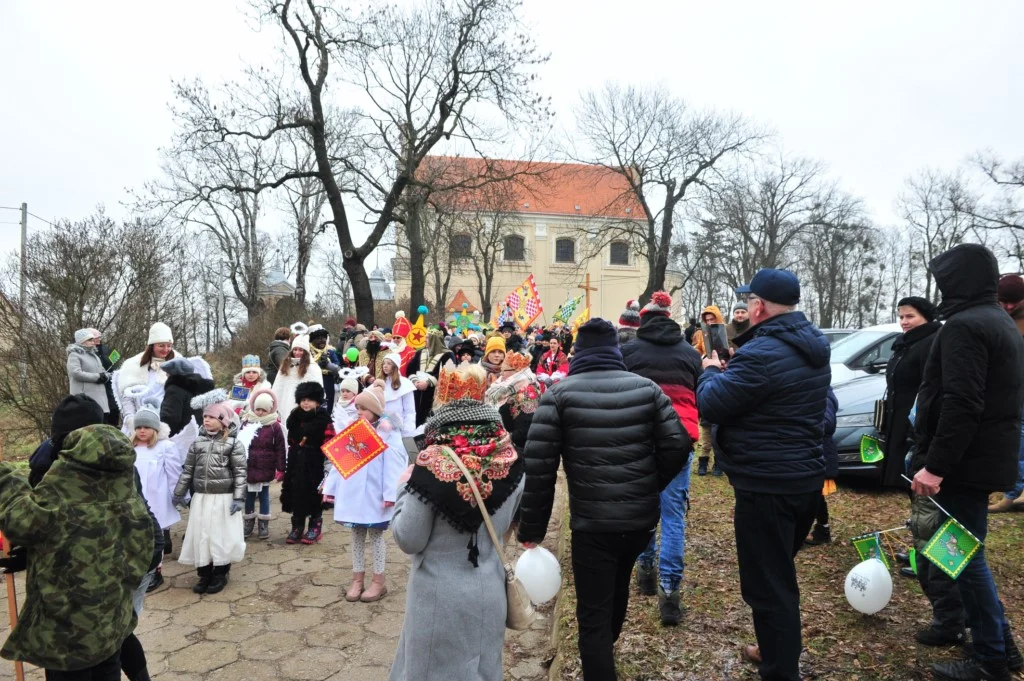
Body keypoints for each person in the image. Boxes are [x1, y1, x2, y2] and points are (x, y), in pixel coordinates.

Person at [519, 318, 690, 681]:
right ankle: (604, 651)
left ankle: (600, 658)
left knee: (593, 614)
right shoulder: (647, 389)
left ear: (577, 352)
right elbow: (678, 443)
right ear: (616, 351)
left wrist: (531, 528)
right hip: (638, 522)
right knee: (615, 590)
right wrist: (648, 486)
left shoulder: (559, 395)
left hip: (592, 526)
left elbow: (539, 469)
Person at [697, 268, 830, 681]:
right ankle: (772, 650)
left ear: (757, 307)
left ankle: (779, 670)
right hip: (802, 481)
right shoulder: (813, 345)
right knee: (777, 575)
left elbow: (712, 403)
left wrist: (710, 370)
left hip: (767, 488)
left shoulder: (763, 353)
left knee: (769, 589)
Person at [910, 244, 1024, 681]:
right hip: (981, 461)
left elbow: (962, 403)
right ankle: (1003, 646)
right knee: (963, 554)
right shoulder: (998, 321)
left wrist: (935, 466)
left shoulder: (966, 326)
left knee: (964, 557)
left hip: (961, 465)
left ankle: (992, 658)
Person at [389, 363, 525, 681]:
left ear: (442, 404)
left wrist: (402, 488)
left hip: (438, 598)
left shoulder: (432, 461)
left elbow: (409, 539)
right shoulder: (510, 457)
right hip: (490, 592)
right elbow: (508, 526)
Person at [0, 424, 154, 680]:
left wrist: (5, 477)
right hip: (111, 622)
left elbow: (21, 521)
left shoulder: (63, 489)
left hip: (69, 634)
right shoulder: (127, 490)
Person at [621, 290, 701, 626]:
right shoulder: (690, 354)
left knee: (642, 510)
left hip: (640, 437)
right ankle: (670, 592)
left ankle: (645, 571)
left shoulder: (629, 351)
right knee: (673, 516)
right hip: (679, 439)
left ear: (644, 320)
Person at [322, 380, 407, 603]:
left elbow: (395, 466)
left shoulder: (388, 433)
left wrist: (391, 494)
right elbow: (341, 460)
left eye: (364, 409)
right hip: (353, 495)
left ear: (375, 410)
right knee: (357, 536)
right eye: (357, 408)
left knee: (377, 537)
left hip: (375, 496)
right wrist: (331, 488)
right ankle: (357, 578)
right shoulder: (354, 430)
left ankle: (379, 580)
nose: (359, 412)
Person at [173, 392, 247, 595]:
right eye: (205, 417)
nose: (206, 420)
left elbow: (240, 472)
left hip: (223, 498)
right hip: (202, 498)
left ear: (223, 421)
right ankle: (204, 572)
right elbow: (187, 470)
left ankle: (221, 572)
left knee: (219, 534)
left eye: (212, 417)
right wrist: (179, 493)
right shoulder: (197, 443)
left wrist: (239, 497)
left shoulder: (233, 444)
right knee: (201, 533)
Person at [881, 297, 942, 490]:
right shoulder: (905, 343)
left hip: (917, 421)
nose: (904, 321)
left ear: (926, 317)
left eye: (910, 316)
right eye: (901, 316)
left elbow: (932, 385)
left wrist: (918, 423)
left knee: (915, 471)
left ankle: (923, 518)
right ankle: (916, 517)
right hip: (898, 418)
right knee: (906, 474)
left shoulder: (931, 343)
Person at [131, 400, 188, 592]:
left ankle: (156, 571)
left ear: (155, 429)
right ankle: (139, 570)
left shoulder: (165, 447)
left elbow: (174, 474)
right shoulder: (130, 448)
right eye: (138, 427)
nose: (142, 431)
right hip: (135, 498)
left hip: (156, 498)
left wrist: (178, 496)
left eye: (146, 427)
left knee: (155, 537)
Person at [281, 382, 336, 545]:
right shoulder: (294, 417)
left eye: (310, 400)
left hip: (315, 462)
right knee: (296, 492)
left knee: (314, 494)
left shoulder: (324, 419)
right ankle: (297, 526)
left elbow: (330, 443)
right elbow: (291, 439)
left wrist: (328, 467)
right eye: (303, 399)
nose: (306, 403)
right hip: (296, 461)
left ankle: (314, 526)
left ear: (318, 402)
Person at [991, 273, 1024, 513]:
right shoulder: (998, 317)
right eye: (1006, 301)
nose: (1010, 306)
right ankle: (1014, 491)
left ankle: (1013, 494)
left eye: (1016, 301)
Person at [237, 389, 286, 540]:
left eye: (263, 410)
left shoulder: (274, 426)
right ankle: (248, 521)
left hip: (266, 466)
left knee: (264, 495)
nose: (260, 413)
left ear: (270, 409)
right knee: (249, 496)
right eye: (257, 409)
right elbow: (239, 443)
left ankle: (263, 522)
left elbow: (280, 447)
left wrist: (281, 468)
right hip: (249, 466)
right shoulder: (246, 422)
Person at [114, 322, 177, 427]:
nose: (166, 349)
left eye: (169, 346)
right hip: (140, 423)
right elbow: (127, 398)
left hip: (167, 423)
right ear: (152, 346)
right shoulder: (133, 365)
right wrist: (130, 419)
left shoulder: (177, 363)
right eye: (161, 345)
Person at [804, 387, 839, 547]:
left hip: (820, 453)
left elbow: (828, 424)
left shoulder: (823, 394)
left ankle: (821, 530)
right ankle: (821, 529)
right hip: (812, 454)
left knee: (814, 495)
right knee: (814, 495)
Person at [272, 334, 323, 441]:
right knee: (286, 427)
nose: (297, 352)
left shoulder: (313, 368)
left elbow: (317, 388)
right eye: (295, 349)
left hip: (304, 404)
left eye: (301, 350)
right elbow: (278, 385)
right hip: (286, 402)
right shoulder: (285, 365)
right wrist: (274, 402)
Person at [407, 328, 453, 426]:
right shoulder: (420, 352)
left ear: (434, 339)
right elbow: (410, 369)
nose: (424, 340)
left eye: (427, 338)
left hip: (435, 393)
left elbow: (449, 373)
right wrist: (415, 381)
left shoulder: (448, 355)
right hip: (417, 391)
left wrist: (428, 382)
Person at [160, 357, 216, 437]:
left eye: (168, 373)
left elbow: (170, 418)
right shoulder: (200, 387)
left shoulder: (174, 390)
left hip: (179, 438)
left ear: (173, 374)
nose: (166, 375)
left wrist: (161, 435)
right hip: (199, 434)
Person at [66, 328, 112, 416]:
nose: (93, 341)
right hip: (84, 399)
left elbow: (102, 371)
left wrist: (107, 376)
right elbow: (76, 373)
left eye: (93, 339)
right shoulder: (74, 355)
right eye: (90, 339)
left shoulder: (95, 355)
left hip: (100, 399)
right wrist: (98, 377)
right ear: (82, 341)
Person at [381, 352, 416, 436]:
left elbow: (409, 410)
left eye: (389, 363)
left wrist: (408, 430)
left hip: (400, 427)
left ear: (395, 366)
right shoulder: (381, 383)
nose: (385, 366)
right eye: (384, 363)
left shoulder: (405, 384)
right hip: (382, 427)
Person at [309, 324, 341, 406]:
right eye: (318, 338)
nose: (321, 340)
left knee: (329, 404)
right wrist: (318, 365)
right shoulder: (308, 353)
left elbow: (338, 367)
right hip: (313, 383)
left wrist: (328, 364)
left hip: (328, 382)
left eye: (323, 338)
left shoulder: (330, 351)